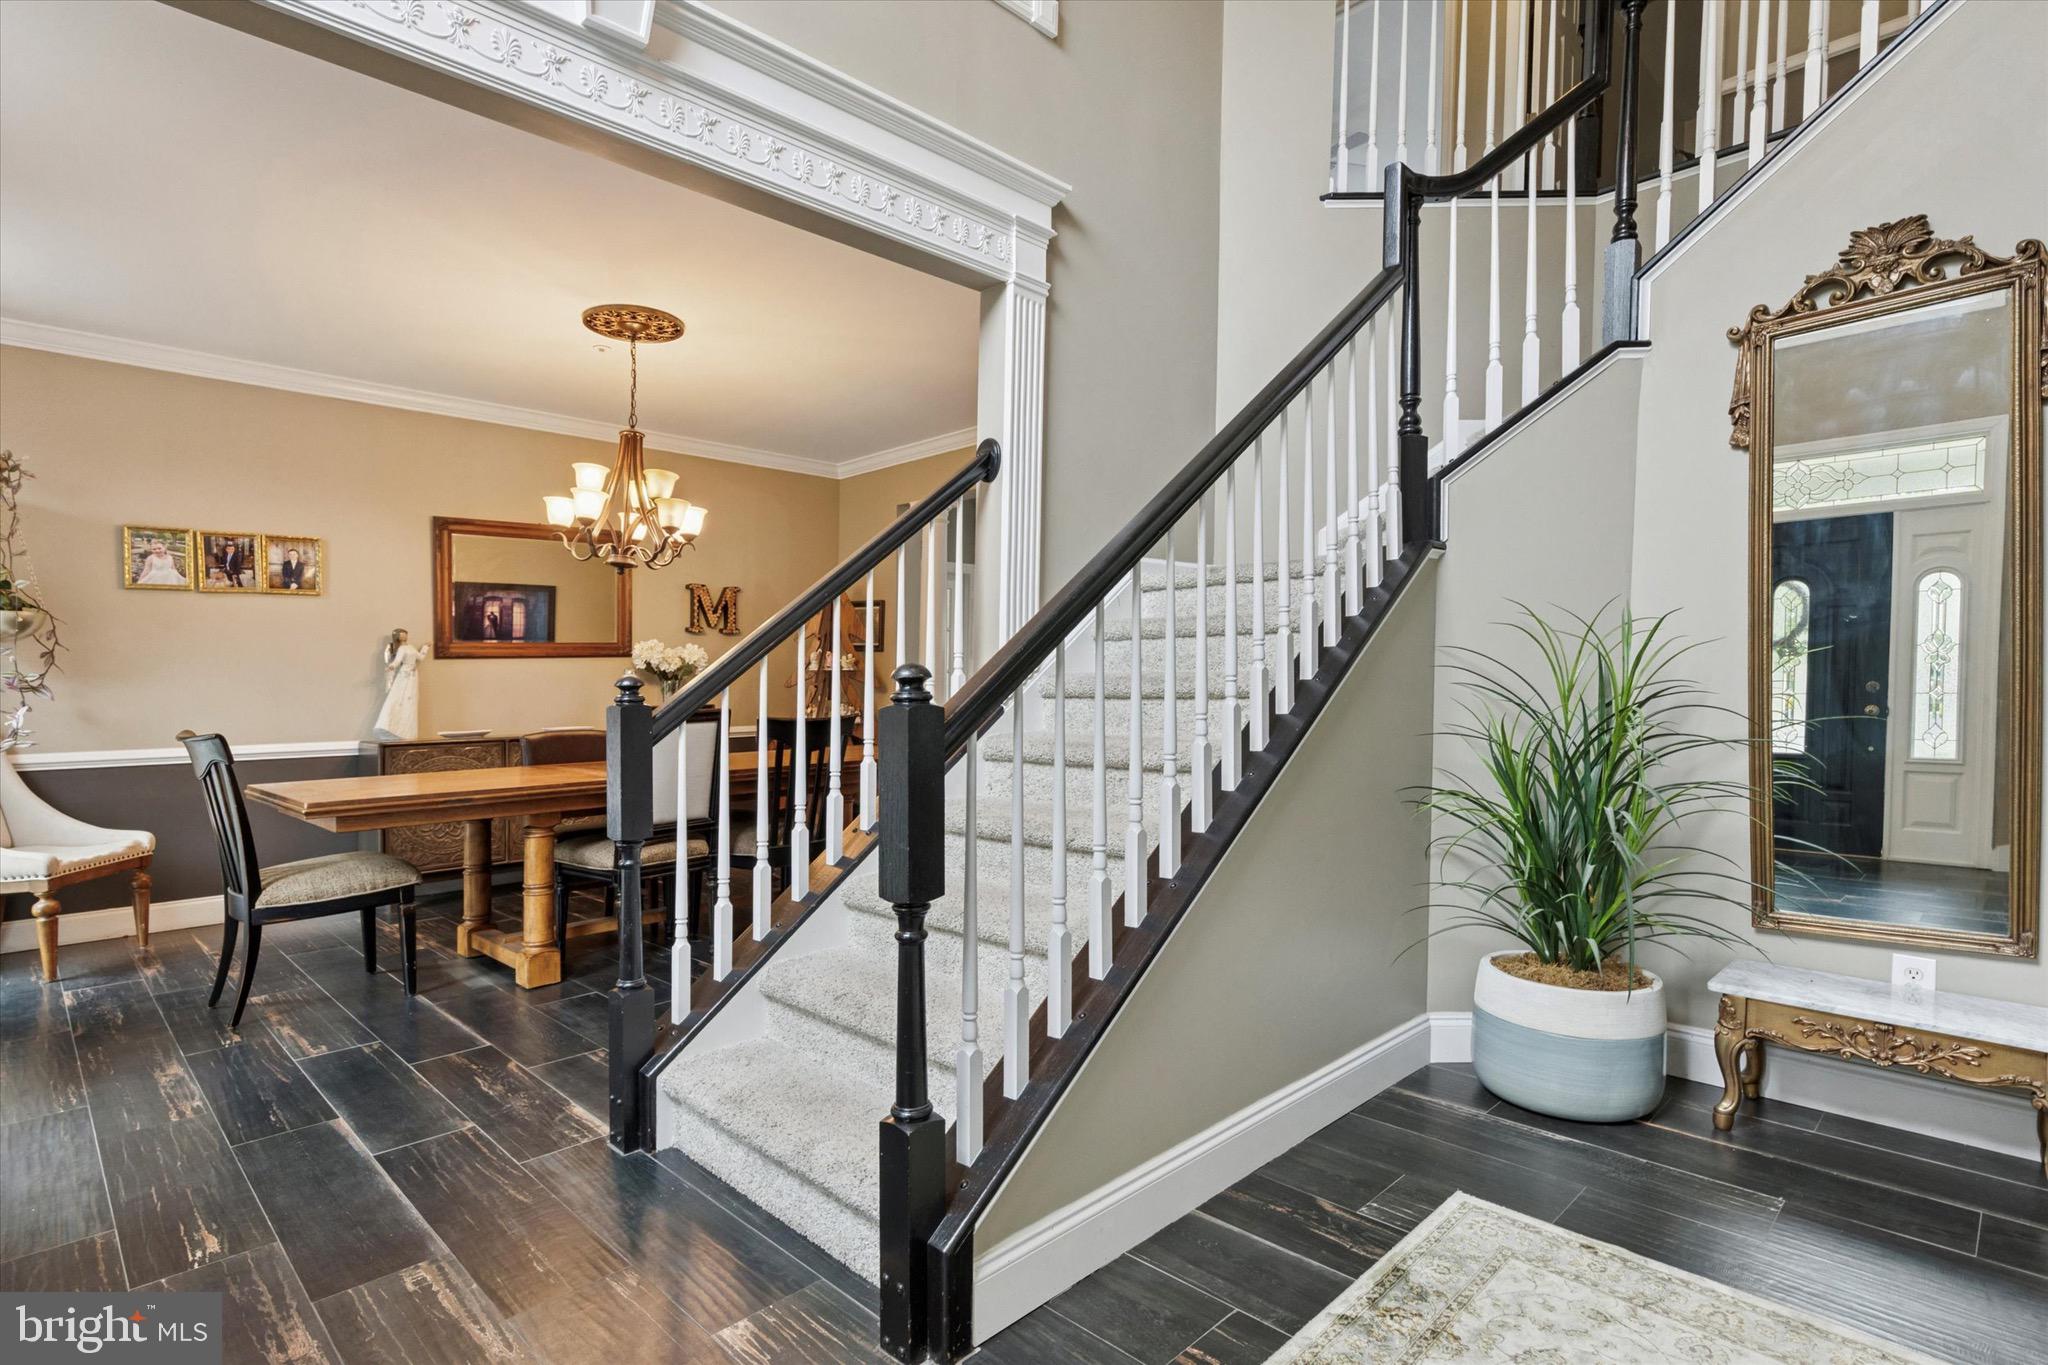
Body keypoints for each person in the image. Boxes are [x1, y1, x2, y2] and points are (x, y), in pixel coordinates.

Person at [374, 628, 430, 740]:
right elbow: (397, 661)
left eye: (405, 634)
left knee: (411, 698)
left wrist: (425, 647)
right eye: (402, 635)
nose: (404, 636)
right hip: (405, 674)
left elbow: (420, 657)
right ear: (398, 637)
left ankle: (408, 730)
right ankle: (397, 727)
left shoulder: (411, 647)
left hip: (413, 675)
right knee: (402, 697)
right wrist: (391, 666)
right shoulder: (401, 649)